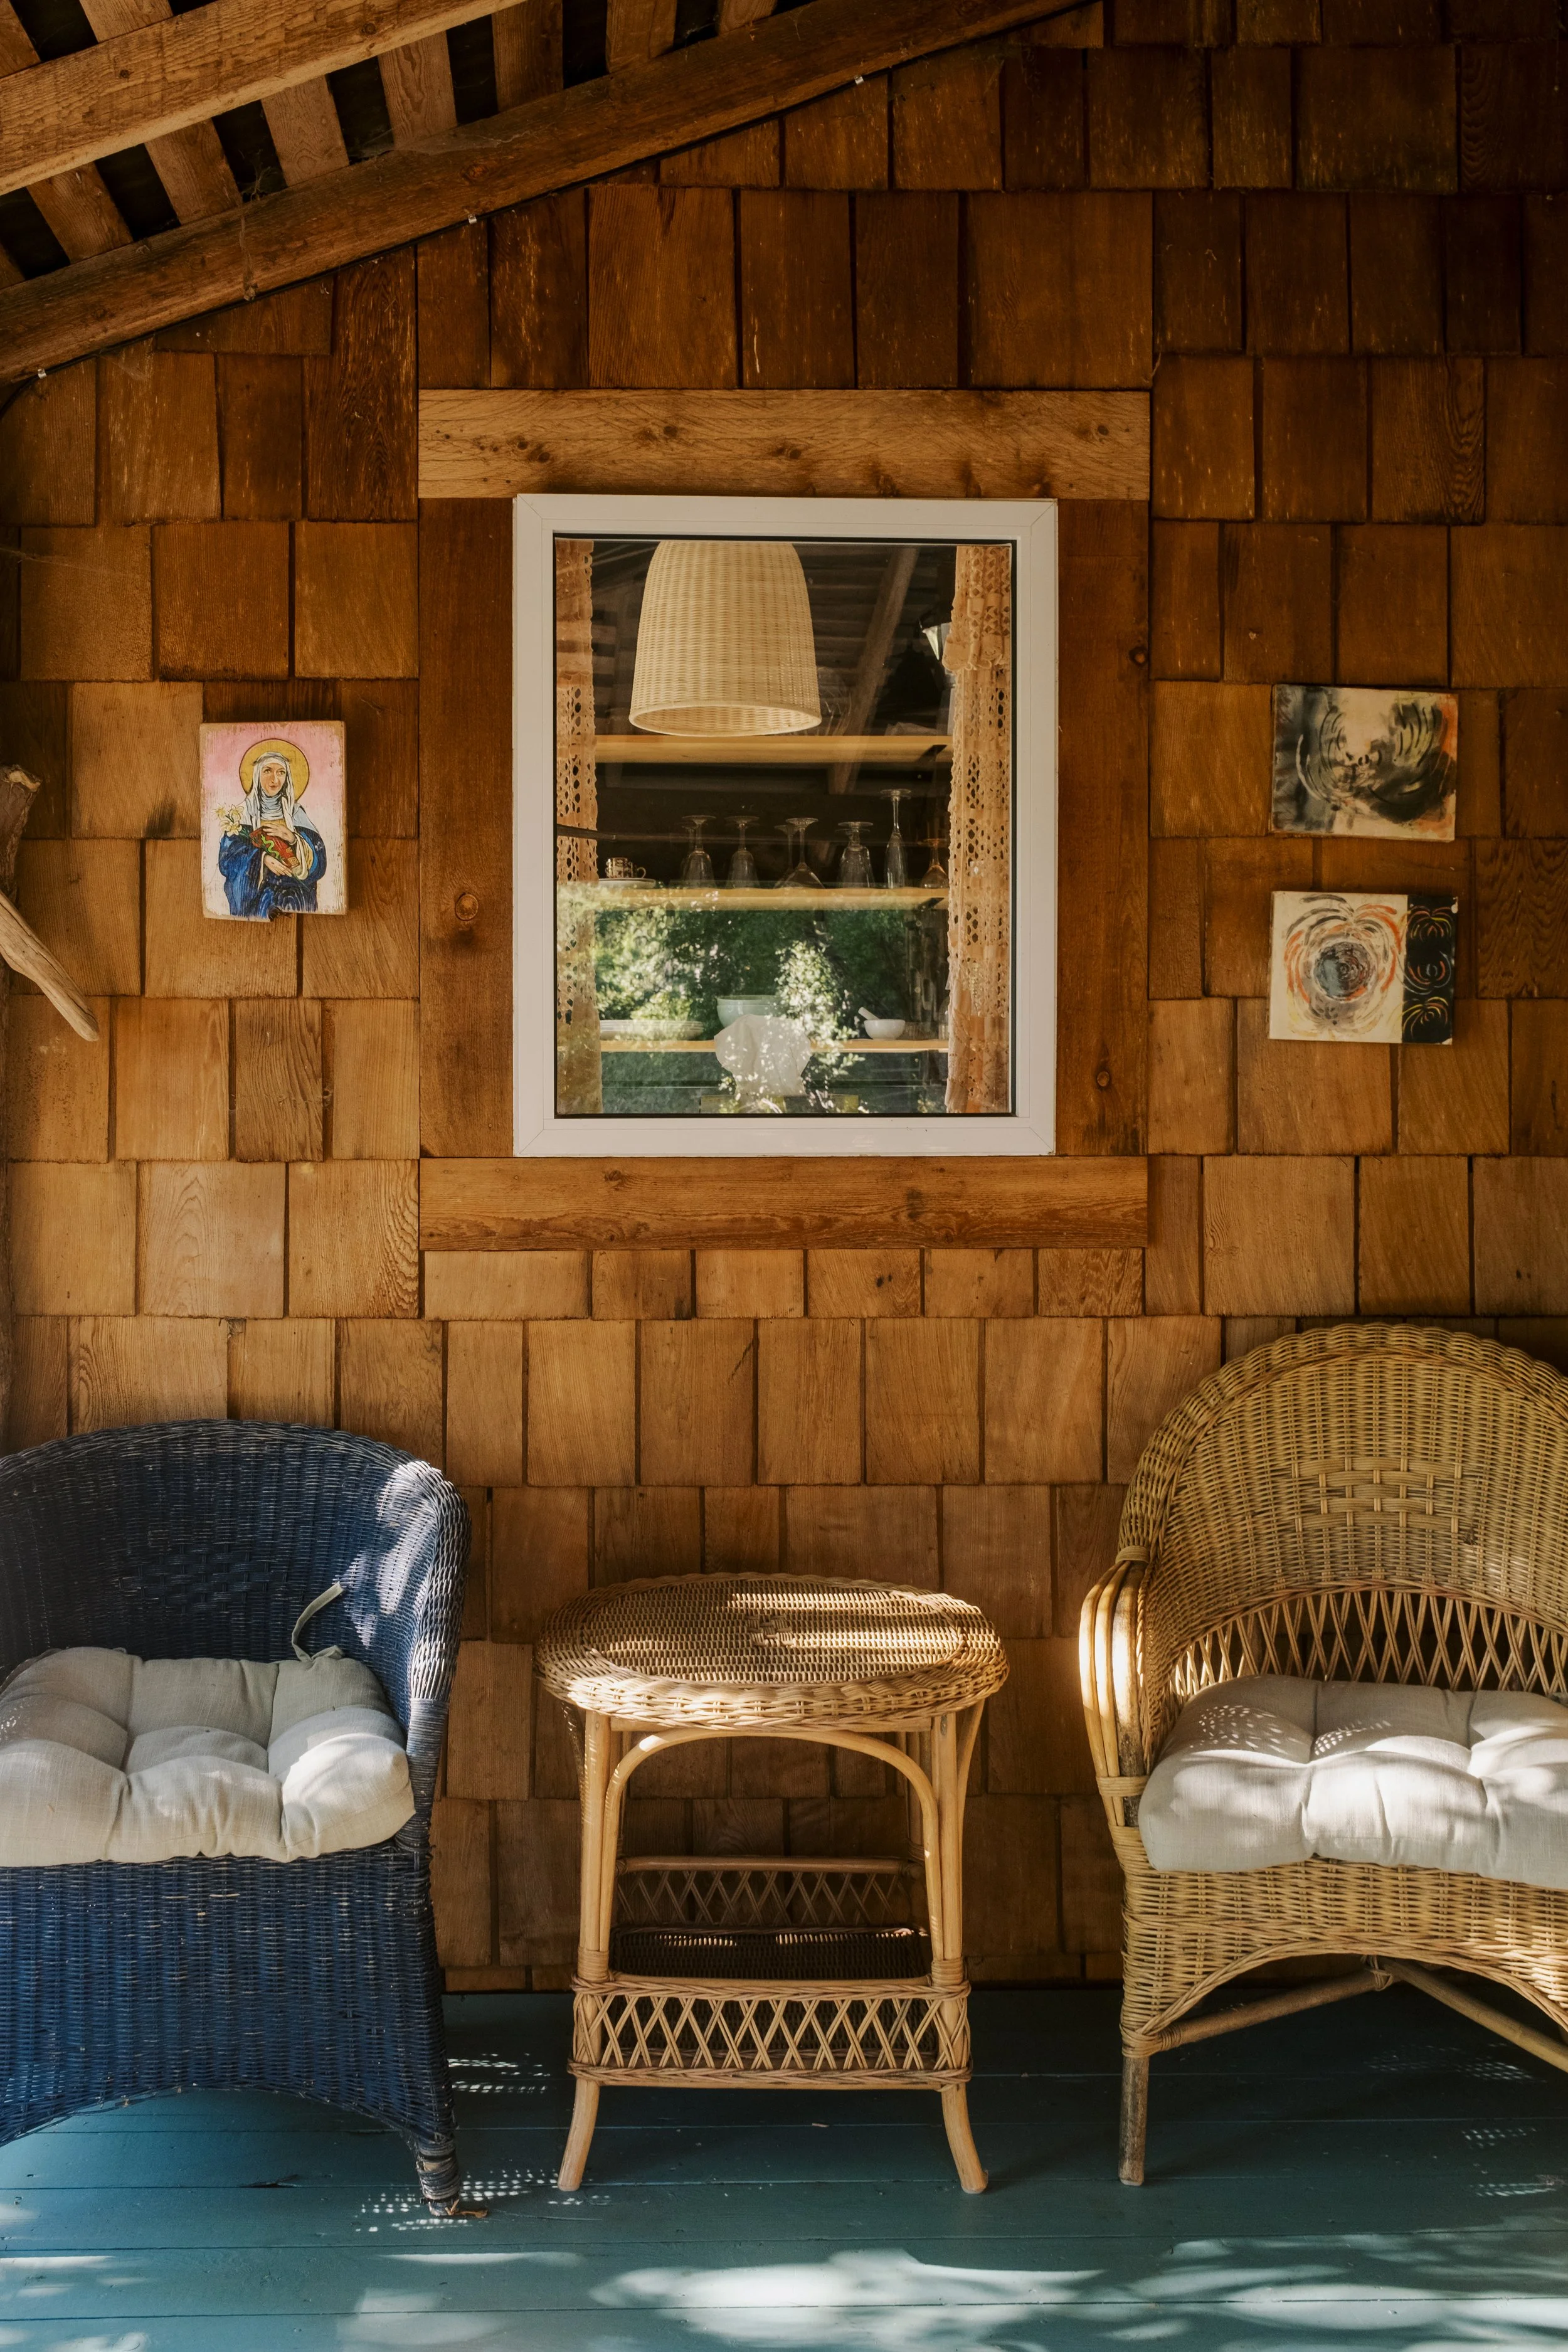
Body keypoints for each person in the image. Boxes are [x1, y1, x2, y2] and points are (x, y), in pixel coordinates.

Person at [216, 738, 327, 919]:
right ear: (257, 775)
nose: (275, 780)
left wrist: (292, 838)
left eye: (281, 772)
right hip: (260, 897)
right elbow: (227, 862)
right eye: (268, 771)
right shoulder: (243, 815)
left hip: (298, 896)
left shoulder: (296, 813)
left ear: (287, 777)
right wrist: (262, 859)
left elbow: (319, 863)